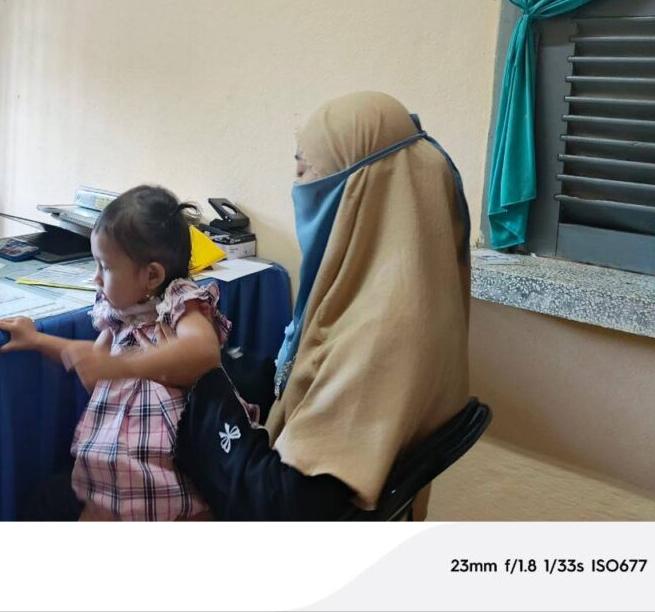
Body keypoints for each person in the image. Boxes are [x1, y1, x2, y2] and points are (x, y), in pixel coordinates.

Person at [172, 91, 471, 520]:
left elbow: (280, 505)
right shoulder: (397, 291)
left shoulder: (378, 333)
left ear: (360, 193)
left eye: (304, 170)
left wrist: (205, 384)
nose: (296, 186)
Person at [0, 185, 236, 520]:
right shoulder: (119, 314)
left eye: (105, 267)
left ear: (152, 275)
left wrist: (125, 366)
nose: (96, 278)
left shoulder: (179, 302)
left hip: (171, 472)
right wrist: (37, 340)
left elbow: (203, 351)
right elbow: (92, 364)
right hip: (114, 473)